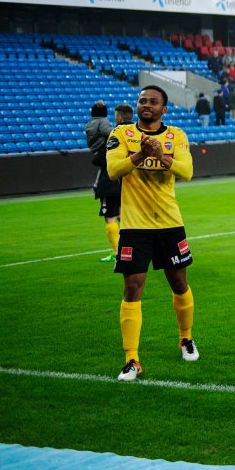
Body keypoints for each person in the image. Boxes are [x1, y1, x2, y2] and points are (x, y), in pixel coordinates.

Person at [105, 85, 197, 381]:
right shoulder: (121, 134)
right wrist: (139, 155)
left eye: (153, 102)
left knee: (179, 283)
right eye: (142, 100)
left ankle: (185, 338)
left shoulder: (176, 136)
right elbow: (113, 170)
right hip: (134, 226)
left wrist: (161, 156)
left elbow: (187, 171)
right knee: (132, 287)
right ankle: (131, 359)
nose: (146, 105)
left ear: (163, 109)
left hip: (169, 223)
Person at [86, 101, 132, 262]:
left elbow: (99, 159)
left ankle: (117, 252)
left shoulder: (114, 136)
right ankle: (133, 247)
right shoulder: (135, 132)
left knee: (110, 217)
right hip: (128, 182)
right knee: (123, 215)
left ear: (118, 118)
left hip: (110, 181)